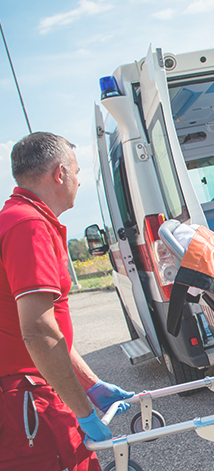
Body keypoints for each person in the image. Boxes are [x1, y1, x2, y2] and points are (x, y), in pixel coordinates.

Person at [0, 132, 134, 471]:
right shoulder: (28, 225)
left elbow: (51, 326)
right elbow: (39, 331)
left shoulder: (21, 219)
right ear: (59, 174)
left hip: (27, 391)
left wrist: (91, 384)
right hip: (22, 398)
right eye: (76, 172)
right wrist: (84, 412)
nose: (78, 181)